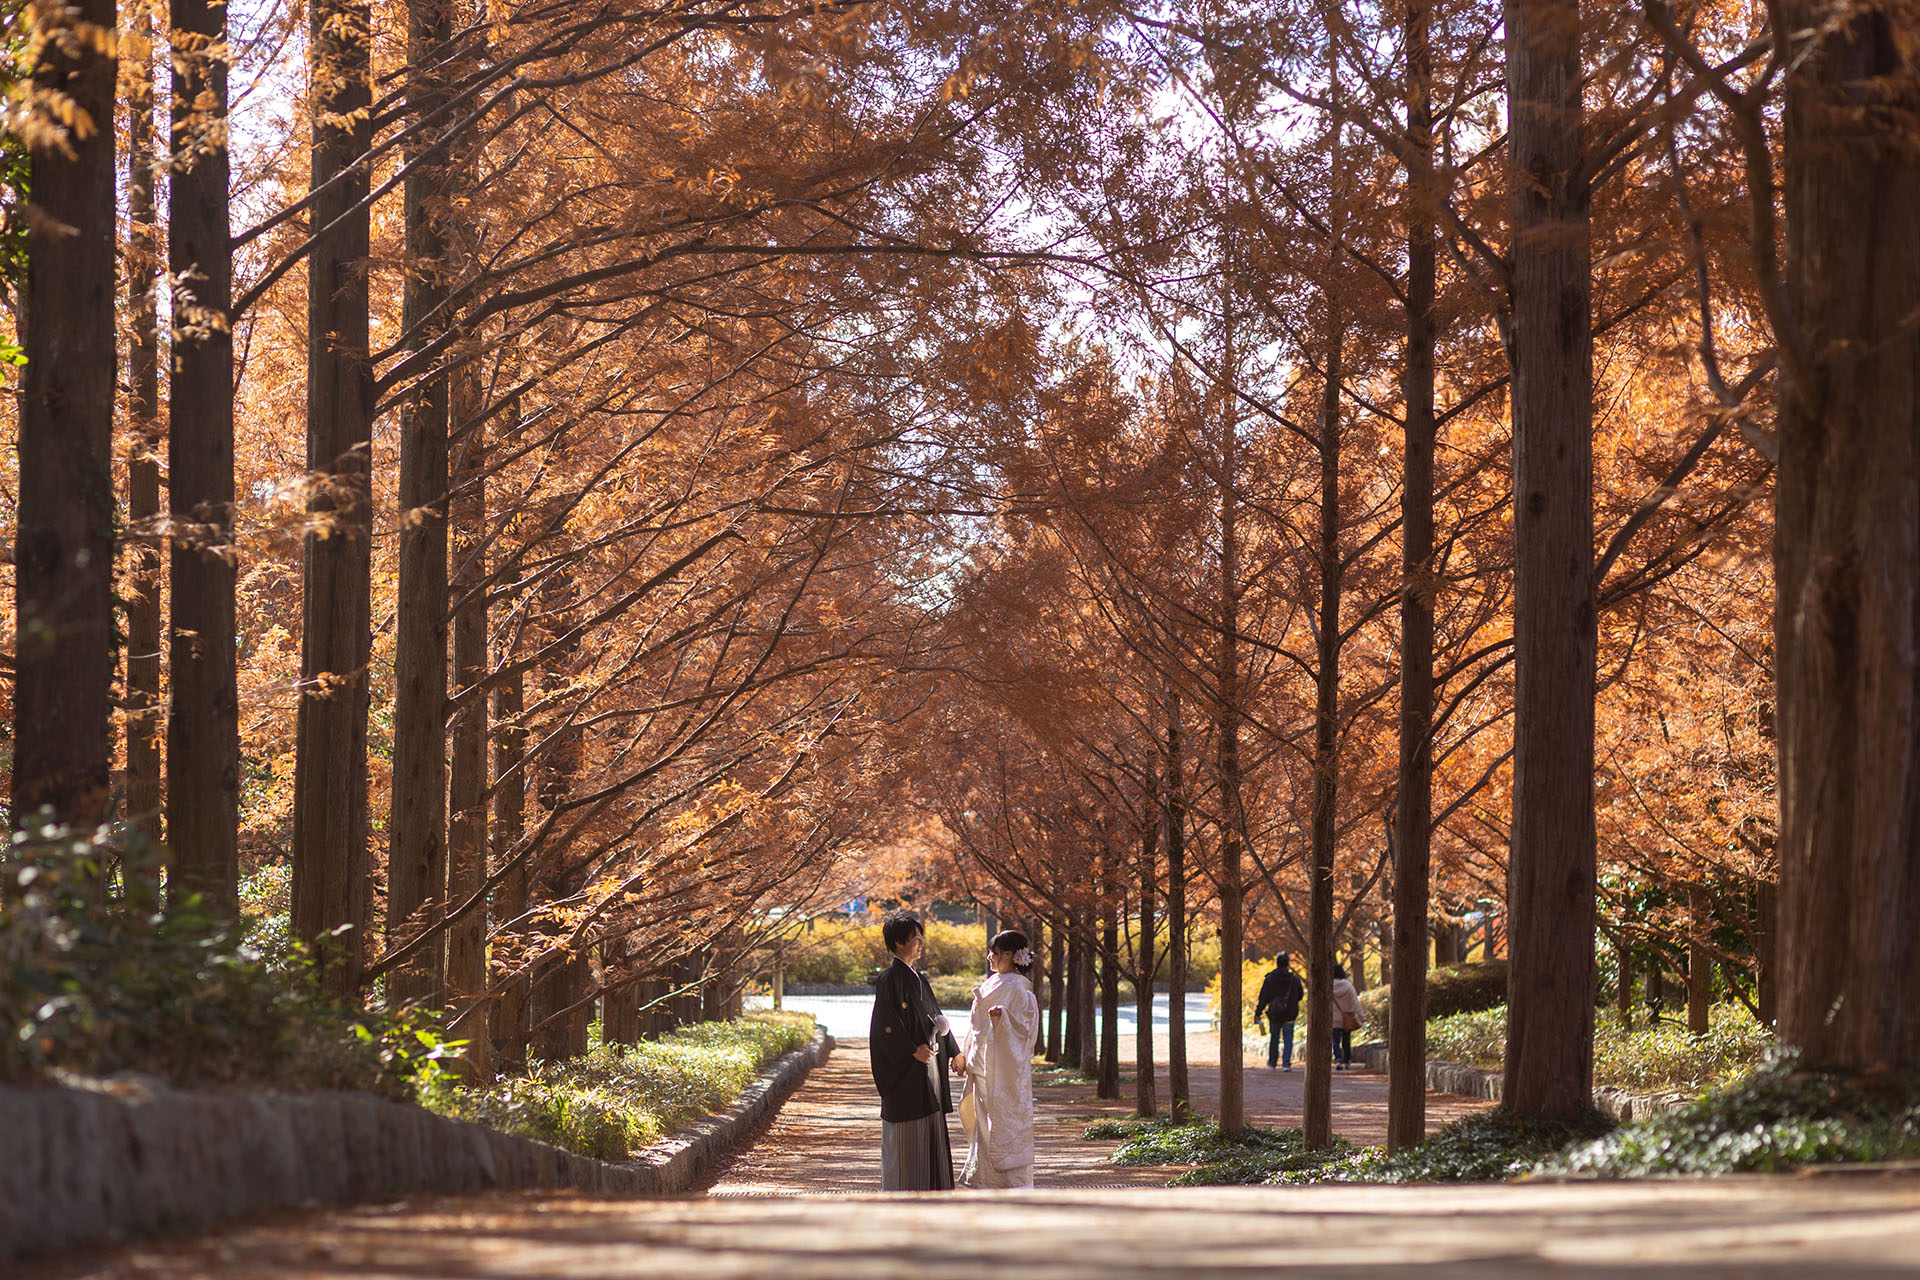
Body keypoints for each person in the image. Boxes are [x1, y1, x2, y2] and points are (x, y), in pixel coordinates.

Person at [870, 912, 963, 1190]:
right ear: (899, 943)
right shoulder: (889, 979)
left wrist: (954, 1052)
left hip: (929, 1064)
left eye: (921, 939)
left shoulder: (919, 979)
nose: (921, 944)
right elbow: (884, 1025)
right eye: (916, 939)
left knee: (930, 1124)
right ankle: (906, 1191)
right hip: (908, 1069)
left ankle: (932, 1189)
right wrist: (911, 1050)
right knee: (909, 1131)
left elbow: (936, 1017)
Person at [958, 930, 1041, 1188]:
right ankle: (985, 1180)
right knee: (984, 1127)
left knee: (1001, 1124)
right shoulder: (995, 982)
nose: (989, 957)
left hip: (1002, 1070)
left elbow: (1024, 1030)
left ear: (1008, 955)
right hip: (983, 1064)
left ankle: (1008, 1182)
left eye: (994, 952)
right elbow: (977, 1026)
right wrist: (964, 1053)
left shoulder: (1017, 988)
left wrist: (1002, 1019)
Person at [1252, 952, 1304, 1070]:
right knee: (1288, 1039)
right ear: (1288, 964)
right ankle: (1286, 1063)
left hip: (1275, 1013)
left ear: (1277, 963)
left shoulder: (1270, 978)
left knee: (1274, 1038)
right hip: (1289, 1013)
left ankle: (1272, 1062)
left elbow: (1263, 997)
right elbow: (1300, 995)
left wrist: (1258, 1012)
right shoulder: (1294, 979)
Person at [1329, 962, 1363, 1070]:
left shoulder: (1328, 986)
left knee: (1335, 1040)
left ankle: (1338, 1060)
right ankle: (1347, 1061)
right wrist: (1361, 1016)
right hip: (1347, 1017)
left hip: (1334, 1018)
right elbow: (1355, 1002)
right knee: (1346, 1040)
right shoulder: (1348, 986)